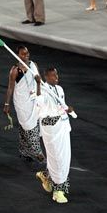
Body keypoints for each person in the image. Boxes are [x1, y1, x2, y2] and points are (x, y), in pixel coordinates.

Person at [35, 67, 73, 204]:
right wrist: (38, 84)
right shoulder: (42, 89)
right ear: (46, 77)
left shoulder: (60, 89)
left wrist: (67, 109)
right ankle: (58, 192)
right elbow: (39, 102)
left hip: (62, 126)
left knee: (64, 157)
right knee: (57, 157)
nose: (56, 77)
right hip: (51, 129)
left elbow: (60, 105)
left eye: (57, 74)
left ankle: (47, 176)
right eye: (53, 75)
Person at [3, 46, 45, 162]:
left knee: (29, 125)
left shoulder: (33, 65)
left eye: (27, 53)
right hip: (21, 102)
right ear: (17, 55)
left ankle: (24, 150)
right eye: (23, 54)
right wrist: (7, 104)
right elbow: (10, 88)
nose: (26, 56)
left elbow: (39, 81)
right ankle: (38, 152)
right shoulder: (15, 70)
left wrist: (39, 86)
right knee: (28, 125)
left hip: (33, 99)